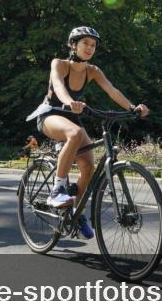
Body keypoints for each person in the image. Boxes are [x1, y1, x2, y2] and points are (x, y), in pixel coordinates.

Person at [26, 26, 149, 240]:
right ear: (73, 45)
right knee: (74, 134)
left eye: (93, 45)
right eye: (85, 43)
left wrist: (132, 107)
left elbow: (111, 90)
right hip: (50, 114)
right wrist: (69, 102)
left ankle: (76, 213)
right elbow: (58, 86)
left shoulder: (93, 71)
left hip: (73, 116)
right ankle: (57, 190)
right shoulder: (59, 64)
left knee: (88, 167)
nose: (90, 48)